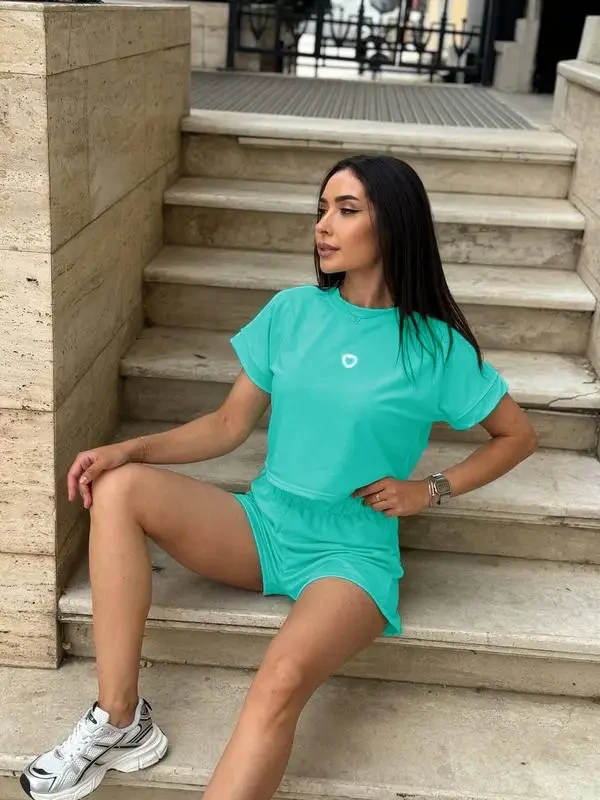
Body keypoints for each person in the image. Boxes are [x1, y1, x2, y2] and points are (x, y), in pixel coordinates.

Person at [21, 155, 537, 800]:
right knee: (119, 487)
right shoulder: (292, 312)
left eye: (346, 210)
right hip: (263, 525)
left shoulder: (436, 347)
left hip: (350, 553)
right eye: (321, 210)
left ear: (394, 224)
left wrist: (430, 489)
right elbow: (227, 424)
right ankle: (120, 719)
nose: (323, 225)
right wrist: (132, 449)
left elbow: (517, 437)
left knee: (279, 682)